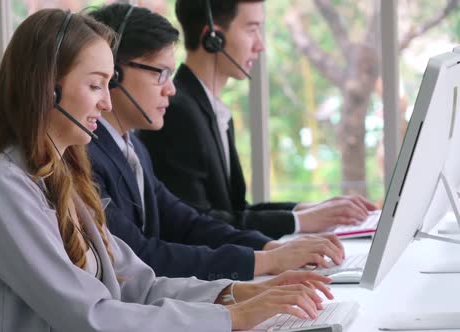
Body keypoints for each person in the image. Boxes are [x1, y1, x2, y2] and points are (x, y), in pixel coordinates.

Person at [0, 9, 335, 331]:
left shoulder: (60, 178)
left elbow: (138, 284)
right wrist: (233, 318)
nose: (106, 104)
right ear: (49, 88)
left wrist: (236, 294)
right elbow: (90, 316)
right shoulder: (4, 189)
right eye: (96, 86)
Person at [87, 3, 345, 283]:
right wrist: (267, 260)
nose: (170, 89)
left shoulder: (135, 149)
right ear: (113, 74)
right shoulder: (87, 157)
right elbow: (143, 255)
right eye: (160, 73)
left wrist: (272, 248)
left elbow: (189, 224)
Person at [139, 0, 378, 240]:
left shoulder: (208, 108)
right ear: (213, 38)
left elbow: (234, 211)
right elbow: (198, 223)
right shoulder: (176, 112)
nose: (260, 45)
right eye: (252, 30)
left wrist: (312, 210)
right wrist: (301, 222)